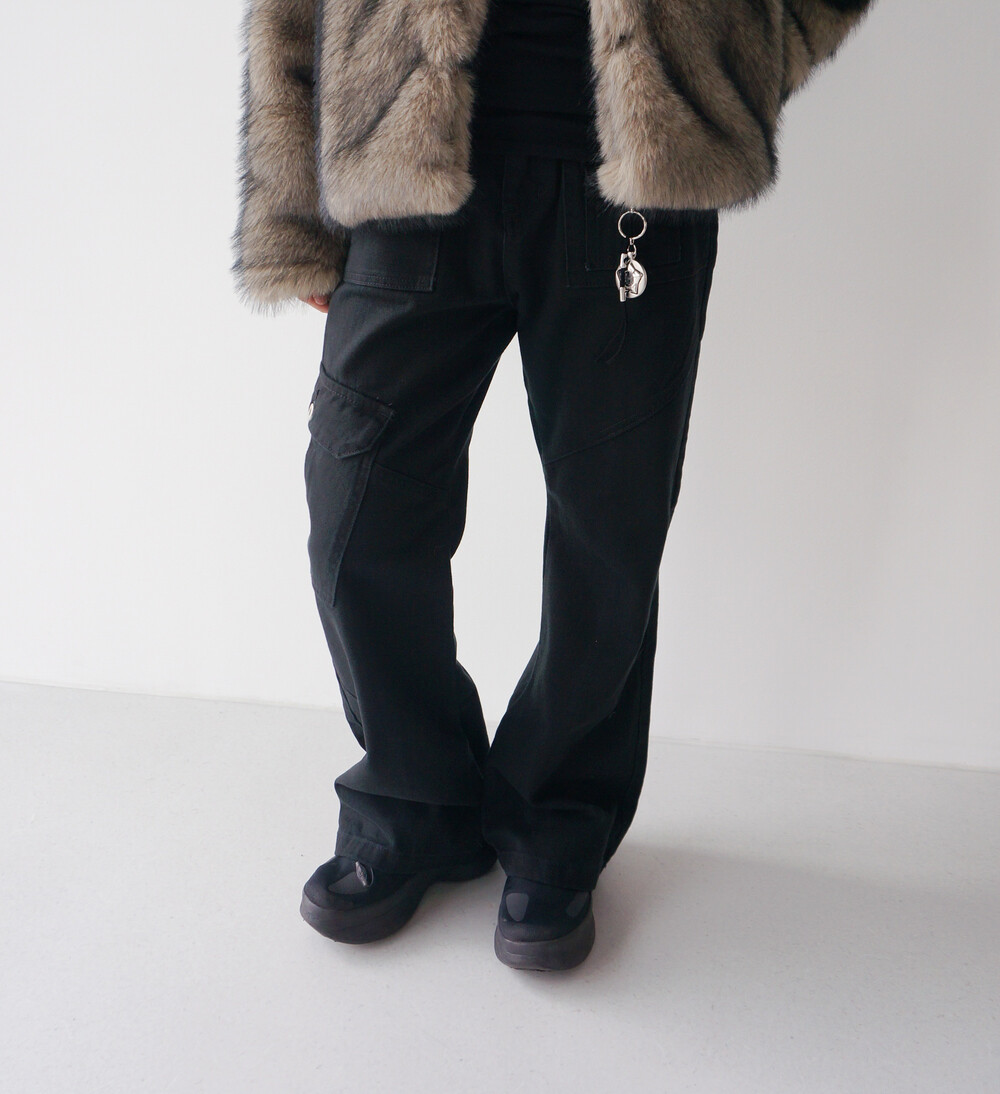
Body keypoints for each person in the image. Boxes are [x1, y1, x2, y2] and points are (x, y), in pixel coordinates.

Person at [231, 0, 877, 971]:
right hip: (405, 167)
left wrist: (716, 74)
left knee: (608, 531)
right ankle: (411, 800)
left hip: (629, 194)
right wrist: (291, 211)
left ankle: (557, 816)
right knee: (358, 511)